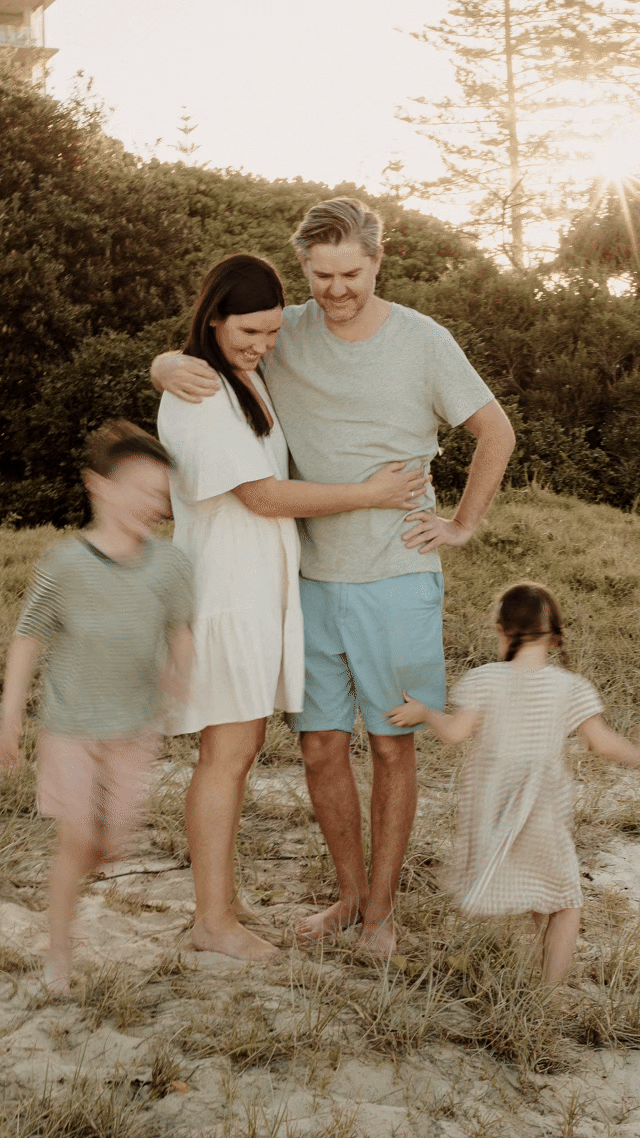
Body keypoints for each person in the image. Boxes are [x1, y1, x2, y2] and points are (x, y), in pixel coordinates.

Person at [151, 198, 516, 958]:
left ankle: (382, 912)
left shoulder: (423, 340)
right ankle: (349, 899)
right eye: (321, 275)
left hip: (397, 577)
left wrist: (462, 525)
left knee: (391, 747)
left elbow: (495, 431)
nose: (337, 288)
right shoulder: (285, 334)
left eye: (351, 272)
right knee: (319, 748)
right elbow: (221, 354)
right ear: (303, 273)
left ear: (378, 262)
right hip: (306, 583)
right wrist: (163, 361)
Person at [156, 253, 427, 961]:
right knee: (228, 752)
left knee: (238, 752)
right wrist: (370, 494)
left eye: (274, 332)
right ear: (212, 318)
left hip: (259, 591)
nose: (263, 345)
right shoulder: (199, 387)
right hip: (223, 593)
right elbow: (262, 496)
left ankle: (222, 900)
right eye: (249, 331)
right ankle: (212, 923)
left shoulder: (240, 376)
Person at [0, 422, 194, 997]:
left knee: (111, 847)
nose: (150, 504)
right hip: (70, 727)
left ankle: (80, 875)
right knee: (76, 839)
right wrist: (10, 711)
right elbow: (29, 636)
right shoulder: (65, 564)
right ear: (98, 486)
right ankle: (58, 951)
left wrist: (180, 672)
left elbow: (181, 631)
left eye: (160, 496)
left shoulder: (171, 565)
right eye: (138, 488)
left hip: (135, 728)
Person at [388, 581, 640, 983]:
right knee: (566, 901)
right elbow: (601, 742)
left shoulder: (485, 678)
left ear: (502, 631)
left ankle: (543, 978)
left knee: (546, 893)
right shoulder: (570, 686)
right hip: (538, 807)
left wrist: (425, 713)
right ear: (555, 636)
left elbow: (455, 734)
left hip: (489, 806)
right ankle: (549, 996)